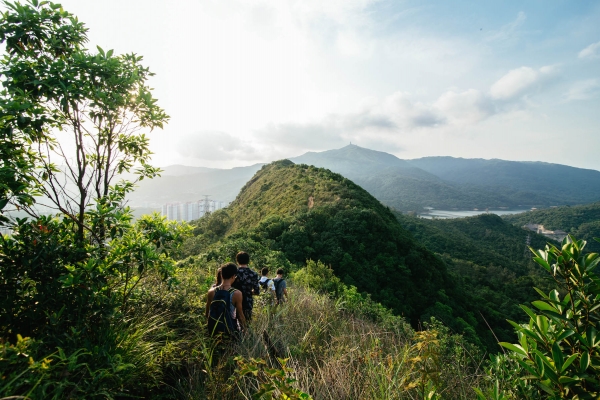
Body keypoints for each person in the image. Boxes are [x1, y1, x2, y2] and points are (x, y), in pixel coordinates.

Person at [205, 262, 246, 336]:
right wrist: (245, 329)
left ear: (221, 275)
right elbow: (240, 315)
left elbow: (207, 313)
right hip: (229, 330)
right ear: (233, 276)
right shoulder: (237, 293)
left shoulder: (211, 292)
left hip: (214, 330)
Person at [232, 251, 260, 322]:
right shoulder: (253, 274)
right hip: (247, 302)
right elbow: (257, 291)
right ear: (248, 261)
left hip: (233, 301)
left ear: (237, 260)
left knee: (233, 323)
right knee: (246, 323)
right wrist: (249, 292)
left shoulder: (233, 273)